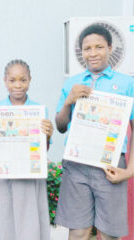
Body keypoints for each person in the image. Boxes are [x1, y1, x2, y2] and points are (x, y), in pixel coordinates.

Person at [55, 24, 134, 240]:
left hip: (110, 166)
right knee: (78, 232)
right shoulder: (72, 84)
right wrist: (68, 102)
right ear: (82, 52)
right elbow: (60, 126)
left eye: (99, 47)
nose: (93, 53)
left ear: (110, 47)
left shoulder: (127, 84)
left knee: (109, 234)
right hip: (76, 165)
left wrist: (129, 170)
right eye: (87, 48)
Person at [0, 59, 53, 240]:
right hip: (4, 175)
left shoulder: (39, 110)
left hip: (30, 175)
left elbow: (42, 149)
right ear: (4, 81)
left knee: (30, 223)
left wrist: (47, 134)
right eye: (12, 80)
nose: (18, 85)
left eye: (23, 80)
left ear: (30, 80)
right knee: (4, 220)